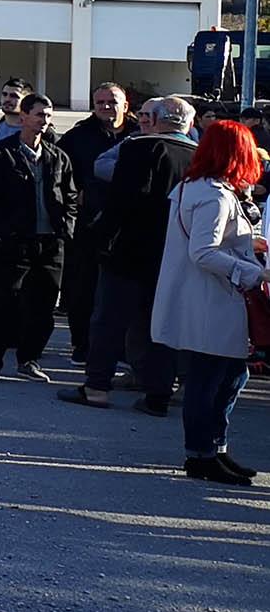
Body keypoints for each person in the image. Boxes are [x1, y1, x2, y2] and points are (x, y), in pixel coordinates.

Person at [151, 120, 264, 485]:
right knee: (212, 377)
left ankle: (212, 449)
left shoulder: (199, 188)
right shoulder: (214, 195)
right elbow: (204, 251)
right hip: (211, 298)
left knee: (227, 373)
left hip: (206, 297)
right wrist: (250, 272)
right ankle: (202, 453)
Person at [69, 94, 197, 412]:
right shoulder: (197, 156)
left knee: (109, 321)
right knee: (161, 326)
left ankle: (97, 386)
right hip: (172, 255)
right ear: (190, 124)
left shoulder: (139, 147)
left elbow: (121, 201)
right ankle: (158, 395)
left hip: (129, 251)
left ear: (155, 121)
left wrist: (101, 239)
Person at [0, 92, 77, 383]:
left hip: (51, 242)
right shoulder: (2, 153)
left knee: (43, 305)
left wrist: (66, 228)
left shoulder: (57, 156)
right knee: (4, 301)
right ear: (24, 117)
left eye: (49, 115)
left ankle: (28, 359)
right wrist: (3, 233)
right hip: (15, 241)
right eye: (40, 115)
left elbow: (70, 195)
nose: (45, 121)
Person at [57, 84, 134, 359]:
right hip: (88, 225)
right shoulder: (78, 136)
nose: (105, 106)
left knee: (125, 292)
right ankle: (82, 344)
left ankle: (124, 349)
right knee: (83, 287)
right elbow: (58, 170)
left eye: (112, 101)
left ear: (125, 104)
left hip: (130, 228)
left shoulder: (140, 135)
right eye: (99, 102)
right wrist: (74, 192)